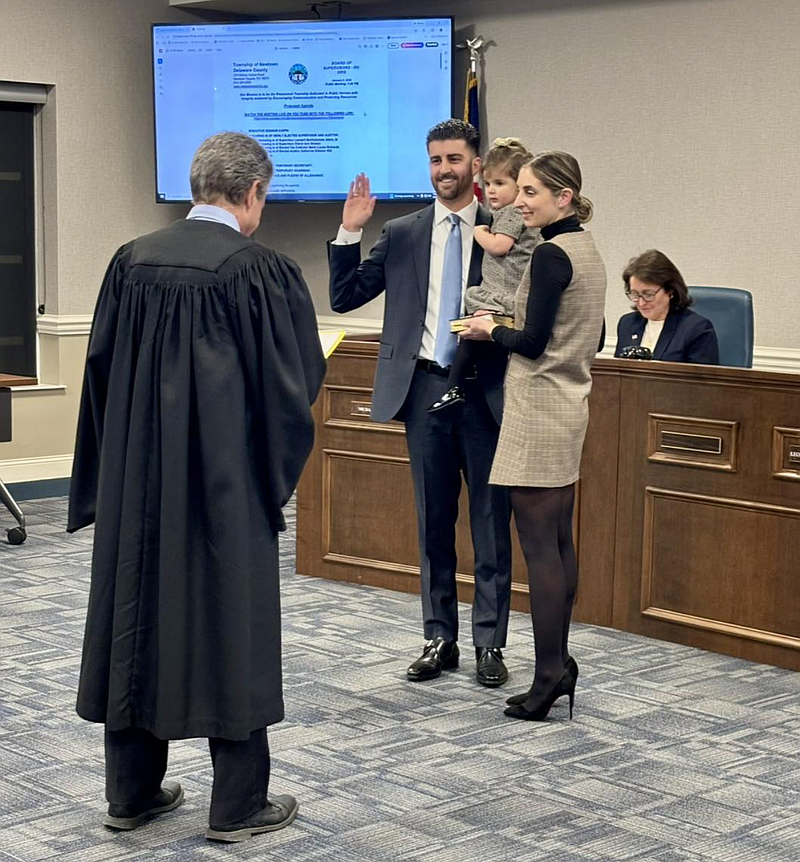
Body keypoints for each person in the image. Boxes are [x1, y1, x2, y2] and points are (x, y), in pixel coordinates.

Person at [67, 132, 325, 841]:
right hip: (223, 487)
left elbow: (99, 373)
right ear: (252, 194)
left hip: (135, 487)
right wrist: (269, 483)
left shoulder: (130, 262)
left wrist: (111, 473)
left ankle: (132, 793)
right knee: (229, 624)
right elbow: (290, 388)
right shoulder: (259, 270)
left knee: (134, 613)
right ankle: (237, 805)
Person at [327, 119, 513, 688]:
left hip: (485, 387)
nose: (444, 171)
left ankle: (489, 642)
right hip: (425, 387)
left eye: (454, 159)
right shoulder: (404, 231)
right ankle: (440, 636)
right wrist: (348, 232)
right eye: (435, 160)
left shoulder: (505, 230)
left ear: (476, 165)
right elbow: (345, 295)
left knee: (489, 520)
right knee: (433, 519)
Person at [460, 151, 607, 721]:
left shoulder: (549, 254)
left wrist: (489, 326)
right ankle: (559, 665)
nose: (518, 203)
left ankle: (548, 675)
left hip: (538, 406)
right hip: (569, 404)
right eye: (518, 191)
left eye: (530, 194)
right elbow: (587, 335)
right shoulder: (586, 248)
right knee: (559, 540)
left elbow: (532, 342)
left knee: (539, 547)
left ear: (563, 197)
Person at [429, 137, 540, 413]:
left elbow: (500, 246)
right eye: (488, 184)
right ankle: (455, 387)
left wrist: (480, 233)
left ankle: (455, 387)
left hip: (505, 290)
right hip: (496, 289)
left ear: (520, 186)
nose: (490, 191)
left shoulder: (513, 213)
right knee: (472, 332)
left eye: (499, 184)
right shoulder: (502, 213)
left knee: (473, 328)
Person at [615, 249, 719, 363]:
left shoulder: (696, 329)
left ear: (670, 290)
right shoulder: (627, 324)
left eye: (648, 294)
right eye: (635, 294)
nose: (641, 302)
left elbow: (702, 380)